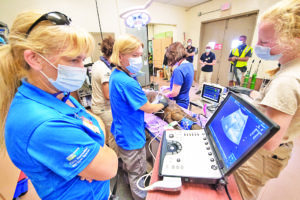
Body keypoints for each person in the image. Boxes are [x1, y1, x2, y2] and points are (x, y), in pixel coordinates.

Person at [0, 11, 118, 200]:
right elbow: (110, 167)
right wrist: (102, 149)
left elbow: (97, 123)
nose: (81, 68)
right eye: (73, 60)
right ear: (34, 59)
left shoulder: (53, 93)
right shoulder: (42, 123)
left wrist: (92, 154)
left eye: (83, 59)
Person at [233, 1, 300, 199]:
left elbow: (269, 140)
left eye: (264, 42)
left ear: (293, 40)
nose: (257, 47)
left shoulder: (287, 81)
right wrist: (258, 99)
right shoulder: (289, 69)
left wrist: (238, 114)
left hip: (260, 157)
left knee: (237, 194)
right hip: (274, 153)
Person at [109, 34, 168, 200]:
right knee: (138, 173)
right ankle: (140, 196)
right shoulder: (128, 83)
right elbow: (148, 108)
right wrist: (162, 103)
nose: (139, 59)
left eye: (140, 55)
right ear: (120, 55)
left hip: (121, 132)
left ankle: (131, 184)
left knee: (130, 167)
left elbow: (130, 96)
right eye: (134, 55)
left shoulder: (116, 74)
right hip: (132, 137)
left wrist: (143, 93)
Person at [91, 36, 119, 156]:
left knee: (106, 134)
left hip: (96, 106)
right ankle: (116, 161)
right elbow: (108, 95)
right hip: (105, 108)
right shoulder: (105, 70)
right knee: (113, 136)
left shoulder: (97, 63)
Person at [165, 42, 194, 109]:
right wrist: (168, 87)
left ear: (174, 56)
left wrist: (163, 95)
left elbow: (175, 93)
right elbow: (183, 84)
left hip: (178, 104)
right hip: (185, 101)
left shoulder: (178, 70)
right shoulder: (190, 65)